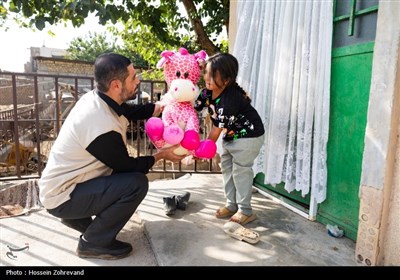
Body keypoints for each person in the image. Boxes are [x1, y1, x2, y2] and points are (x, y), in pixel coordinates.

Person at [38, 53, 185, 260]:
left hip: (67, 187)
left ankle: (81, 220)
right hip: (63, 197)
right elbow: (126, 166)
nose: (138, 80)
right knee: (135, 183)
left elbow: (128, 111)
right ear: (116, 84)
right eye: (133, 77)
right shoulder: (99, 123)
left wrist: (161, 107)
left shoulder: (99, 98)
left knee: (124, 178)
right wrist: (161, 155)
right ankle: (93, 243)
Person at [194, 53, 265, 226]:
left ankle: (246, 211)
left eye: (212, 74)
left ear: (226, 80)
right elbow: (194, 106)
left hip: (249, 135)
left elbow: (217, 129)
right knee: (226, 168)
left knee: (241, 171)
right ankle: (232, 205)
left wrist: (201, 150)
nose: (206, 78)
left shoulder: (229, 98)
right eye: (206, 73)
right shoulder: (208, 92)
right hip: (233, 135)